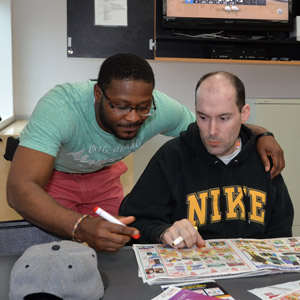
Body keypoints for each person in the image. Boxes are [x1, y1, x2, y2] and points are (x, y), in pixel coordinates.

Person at [6, 53, 285, 252]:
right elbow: (20, 189)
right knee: (55, 254)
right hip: (56, 176)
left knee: (113, 247)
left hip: (104, 176)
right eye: (121, 106)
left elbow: (212, 124)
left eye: (142, 107)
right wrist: (79, 225)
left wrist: (260, 133)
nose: (133, 117)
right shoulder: (61, 109)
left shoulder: (160, 110)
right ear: (98, 95)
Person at [119, 71, 294, 249]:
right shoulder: (172, 157)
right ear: (195, 112)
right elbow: (134, 222)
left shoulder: (263, 158)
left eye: (223, 118)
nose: (212, 130)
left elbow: (280, 233)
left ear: (244, 113)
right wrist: (162, 232)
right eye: (203, 117)